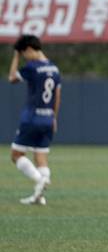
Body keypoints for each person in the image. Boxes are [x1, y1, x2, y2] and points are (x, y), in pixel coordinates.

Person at [8, 35, 61, 206]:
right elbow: (57, 95)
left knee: (16, 155)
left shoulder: (32, 67)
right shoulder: (54, 69)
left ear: (29, 49)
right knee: (41, 158)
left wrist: (15, 56)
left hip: (32, 117)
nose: (24, 57)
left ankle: (40, 180)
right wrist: (54, 117)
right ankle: (39, 197)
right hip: (48, 117)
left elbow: (12, 78)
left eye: (24, 54)